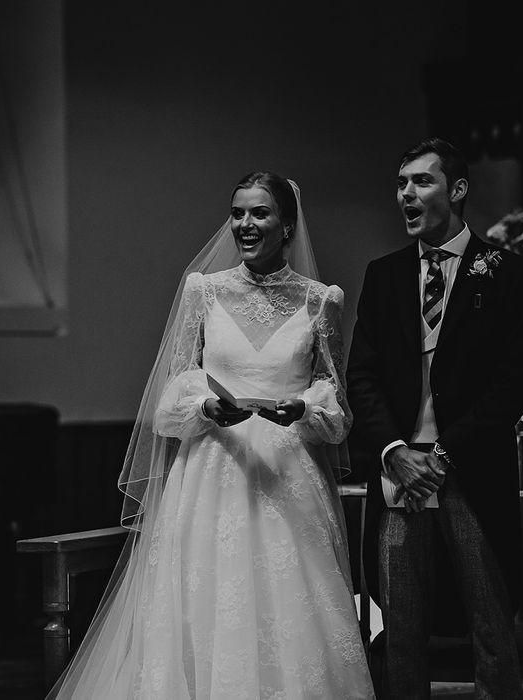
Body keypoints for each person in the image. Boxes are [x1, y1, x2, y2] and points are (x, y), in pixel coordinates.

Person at [48, 172, 375, 699]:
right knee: (206, 601)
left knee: (289, 604)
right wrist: (204, 404)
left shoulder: (321, 301)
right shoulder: (203, 290)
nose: (246, 224)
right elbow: (169, 396)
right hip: (212, 472)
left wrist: (304, 408)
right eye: (238, 213)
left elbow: (335, 401)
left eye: (260, 213)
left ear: (287, 225)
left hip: (288, 473)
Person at [347, 137, 523, 699]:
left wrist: (446, 452)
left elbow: (512, 383)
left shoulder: (506, 271)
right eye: (401, 183)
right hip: (399, 470)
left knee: (490, 622)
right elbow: (363, 375)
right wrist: (393, 452)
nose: (406, 193)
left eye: (422, 181)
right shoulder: (383, 275)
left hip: (471, 470)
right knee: (401, 627)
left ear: (456, 190)